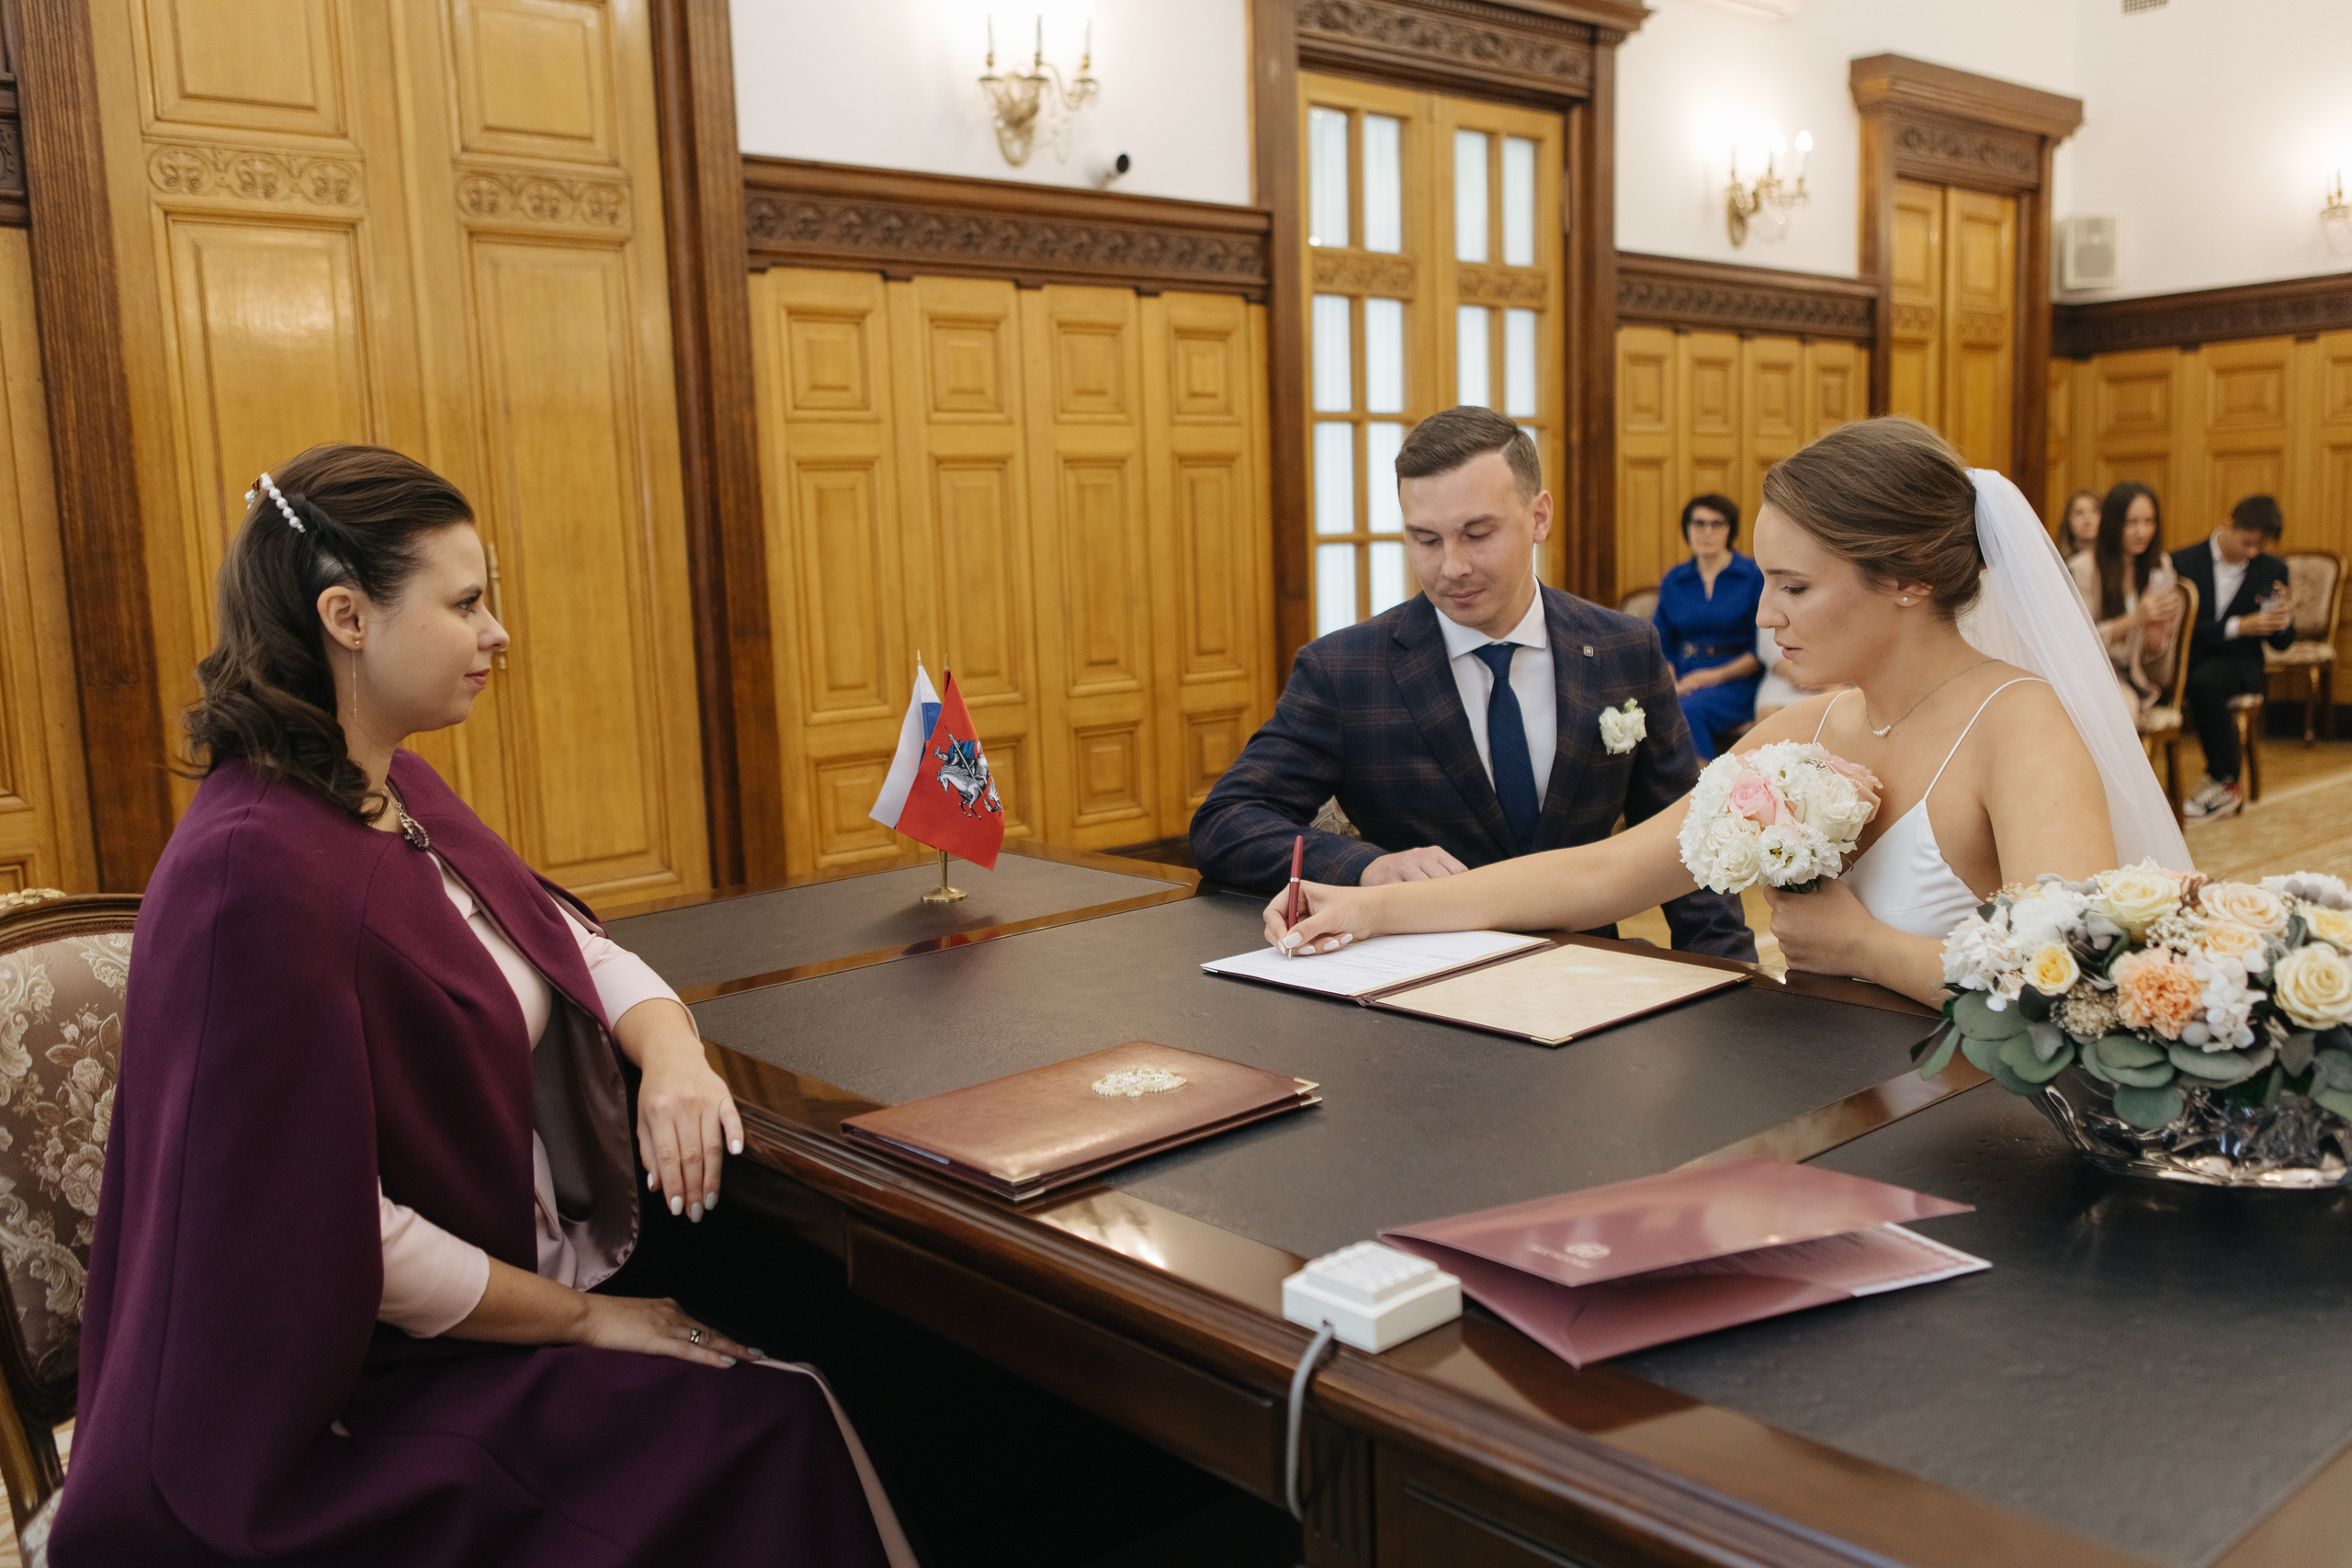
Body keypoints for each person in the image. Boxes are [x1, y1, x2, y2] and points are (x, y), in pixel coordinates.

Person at [56, 446, 911, 1567]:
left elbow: (563, 946)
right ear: (347, 618)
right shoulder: (248, 874)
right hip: (325, 1414)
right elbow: (332, 1234)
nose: (498, 632)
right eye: (466, 603)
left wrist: (675, 1055)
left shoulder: (390, 785)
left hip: (485, 1305)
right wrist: (589, 1319)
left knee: (811, 1336)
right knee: (768, 1419)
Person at [1261, 417, 2191, 1008]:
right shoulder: (1806, 730)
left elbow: (2076, 978)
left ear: (1905, 580)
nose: (1762, 615)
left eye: (1792, 585)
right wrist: (1377, 911)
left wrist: (1865, 947)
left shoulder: (2018, 727)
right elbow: (1603, 873)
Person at [1191, 407, 1754, 961]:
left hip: (1589, 975)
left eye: (1476, 534)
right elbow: (1227, 821)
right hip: (1418, 985)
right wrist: (1367, 867)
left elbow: (1692, 843)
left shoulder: (1623, 649)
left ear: (1539, 517)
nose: (1450, 567)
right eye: (1426, 540)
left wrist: (1730, 979)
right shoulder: (1346, 669)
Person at [2172, 494, 2296, 822]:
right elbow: (2180, 630)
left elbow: (2281, 643)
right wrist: (2239, 626)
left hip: (2242, 666)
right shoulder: (2182, 562)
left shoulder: (2272, 569)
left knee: (2206, 682)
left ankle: (2224, 781)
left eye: (2259, 545)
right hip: (2189, 658)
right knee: (2194, 678)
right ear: (2229, 524)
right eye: (2247, 542)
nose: (2252, 552)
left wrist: (2284, 620)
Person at [1653, 494, 1765, 761]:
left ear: (1731, 530)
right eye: (1699, 524)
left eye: (1717, 524)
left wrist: (1711, 677)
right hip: (1683, 674)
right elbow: (1661, 642)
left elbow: (1760, 648)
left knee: (1688, 709)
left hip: (1736, 678)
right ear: (1687, 529)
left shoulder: (1753, 575)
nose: (1707, 532)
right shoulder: (1674, 580)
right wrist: (1670, 682)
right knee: (1655, 706)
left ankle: (1698, 791)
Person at [2070, 481, 2181, 713]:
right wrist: (2134, 619)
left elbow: (2157, 664)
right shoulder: (2084, 568)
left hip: (2133, 677)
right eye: (2132, 523)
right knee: (2117, 709)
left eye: (2149, 522)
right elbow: (2078, 642)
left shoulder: (2160, 565)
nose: (2142, 532)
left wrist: (2155, 641)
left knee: (2123, 705)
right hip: (2089, 673)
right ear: (2113, 523)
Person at [2061, 488, 2101, 562]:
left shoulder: (2113, 561)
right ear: (2068, 519)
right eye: (2079, 513)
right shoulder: (2057, 560)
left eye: (2094, 512)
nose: (2087, 520)